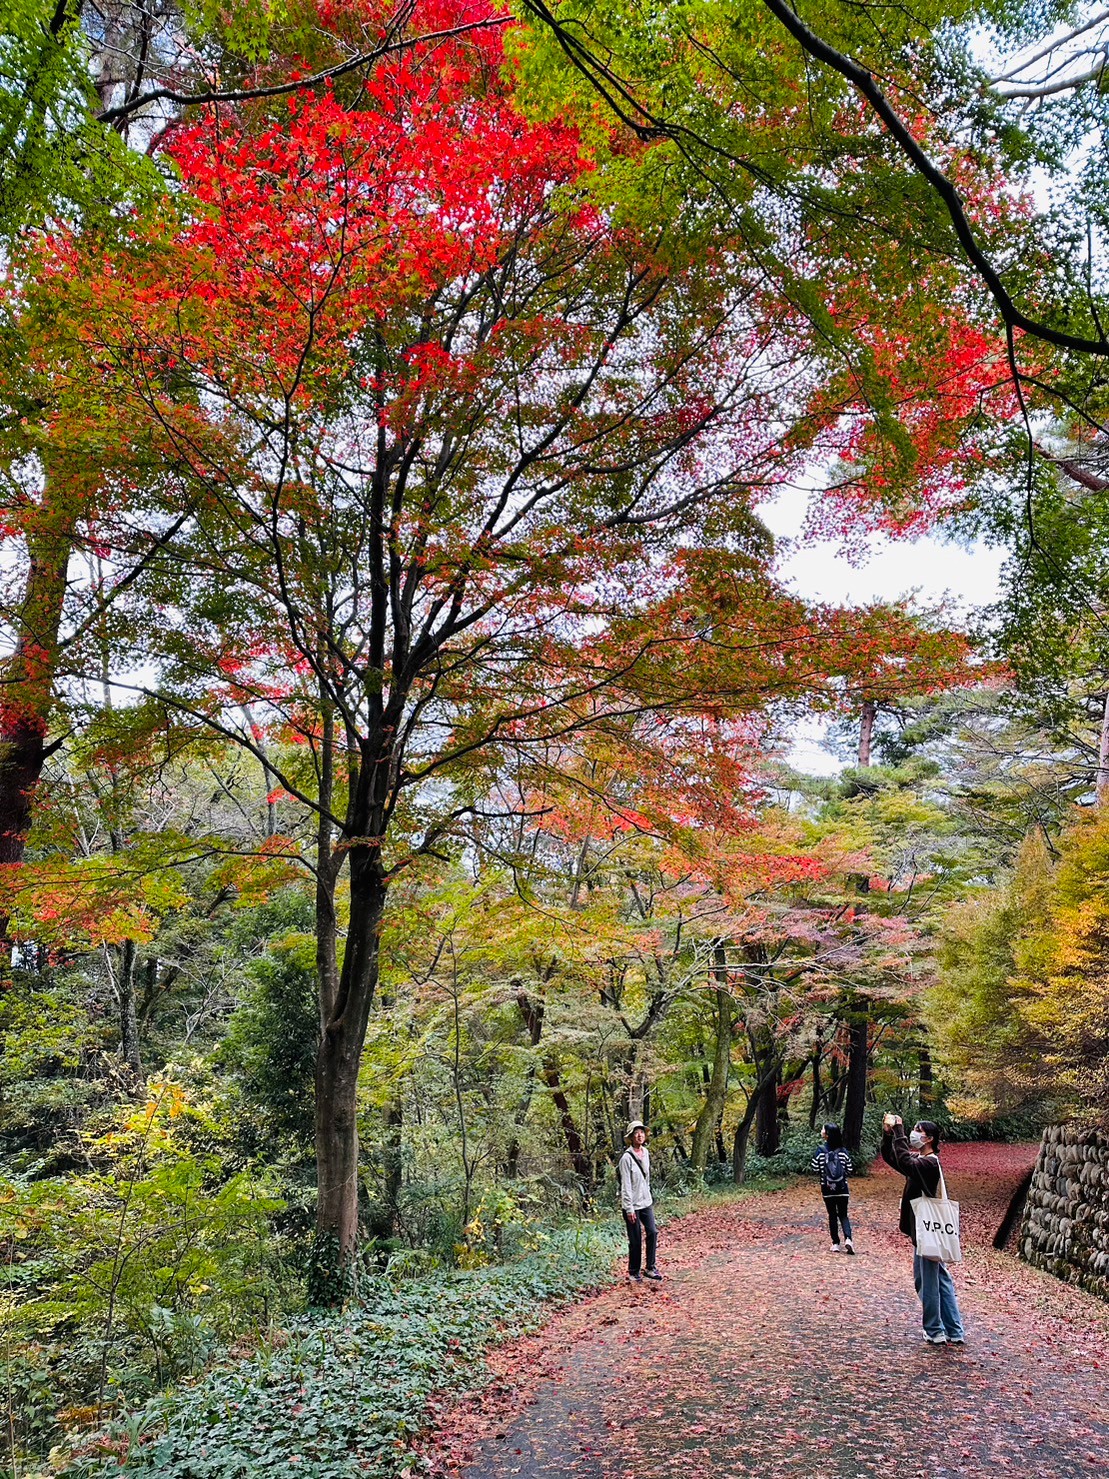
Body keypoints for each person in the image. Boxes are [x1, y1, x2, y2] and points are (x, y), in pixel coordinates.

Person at [881, 1113, 966, 1345]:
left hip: (928, 1230)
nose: (913, 1134)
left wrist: (899, 1131)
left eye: (918, 1131)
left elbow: (905, 1161)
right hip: (927, 1229)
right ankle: (954, 1330)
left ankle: (935, 1329)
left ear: (928, 1138)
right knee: (940, 1280)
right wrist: (888, 1136)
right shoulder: (922, 1162)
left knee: (926, 1281)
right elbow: (895, 1158)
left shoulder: (928, 1163)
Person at [618, 1120, 662, 1283]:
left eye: (642, 1132)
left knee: (652, 1232)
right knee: (635, 1239)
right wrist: (629, 1208)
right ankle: (633, 1271)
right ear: (630, 1136)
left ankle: (650, 1267)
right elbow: (626, 1185)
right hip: (632, 1205)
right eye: (636, 1132)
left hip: (645, 1202)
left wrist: (648, 1195)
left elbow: (647, 1179)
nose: (640, 1135)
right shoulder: (626, 1158)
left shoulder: (646, 1153)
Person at [811, 1122, 855, 1253]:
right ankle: (848, 1239)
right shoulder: (843, 1151)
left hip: (827, 1188)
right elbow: (850, 1168)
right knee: (843, 1215)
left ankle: (835, 1243)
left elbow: (815, 1168)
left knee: (832, 1215)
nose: (821, 1131)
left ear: (826, 1134)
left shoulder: (820, 1150)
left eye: (823, 1129)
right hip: (842, 1188)